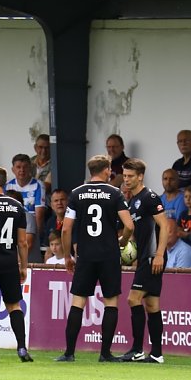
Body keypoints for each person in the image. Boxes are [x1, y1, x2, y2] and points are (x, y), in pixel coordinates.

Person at [56, 155, 134, 363]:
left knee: (78, 302)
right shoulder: (114, 193)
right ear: (107, 170)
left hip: (86, 255)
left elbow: (66, 229)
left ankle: (69, 353)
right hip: (109, 255)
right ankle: (105, 353)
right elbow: (129, 225)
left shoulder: (76, 193)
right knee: (110, 302)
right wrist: (122, 241)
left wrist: (67, 256)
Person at [119, 158, 169, 364]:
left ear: (140, 176)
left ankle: (137, 349)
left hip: (152, 257)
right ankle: (156, 354)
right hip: (145, 257)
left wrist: (158, 255)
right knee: (152, 304)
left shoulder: (149, 197)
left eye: (131, 176)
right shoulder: (133, 200)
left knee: (133, 299)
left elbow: (165, 226)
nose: (127, 180)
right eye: (125, 176)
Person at [0, 166, 30, 362]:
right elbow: (23, 242)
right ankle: (22, 348)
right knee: (14, 306)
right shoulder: (16, 205)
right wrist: (23, 266)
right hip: (9, 262)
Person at [6, 153, 46, 241]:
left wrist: (37, 239)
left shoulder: (38, 185)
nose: (22, 170)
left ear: (30, 168)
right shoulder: (7, 186)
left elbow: (39, 215)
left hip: (30, 228)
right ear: (13, 169)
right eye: (18, 167)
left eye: (25, 167)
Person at [41, 188, 69, 254]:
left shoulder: (74, 221)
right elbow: (48, 250)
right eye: (56, 201)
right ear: (51, 205)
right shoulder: (50, 222)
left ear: (68, 202)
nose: (59, 203)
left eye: (62, 200)